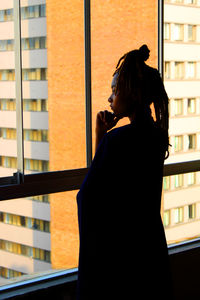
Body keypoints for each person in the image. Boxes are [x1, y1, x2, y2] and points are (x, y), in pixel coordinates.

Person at [76, 45, 173, 299]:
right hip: (150, 250)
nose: (110, 98)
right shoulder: (156, 137)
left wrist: (101, 137)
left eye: (115, 90)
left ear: (132, 93)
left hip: (122, 259)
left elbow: (89, 195)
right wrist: (103, 136)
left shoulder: (118, 140)